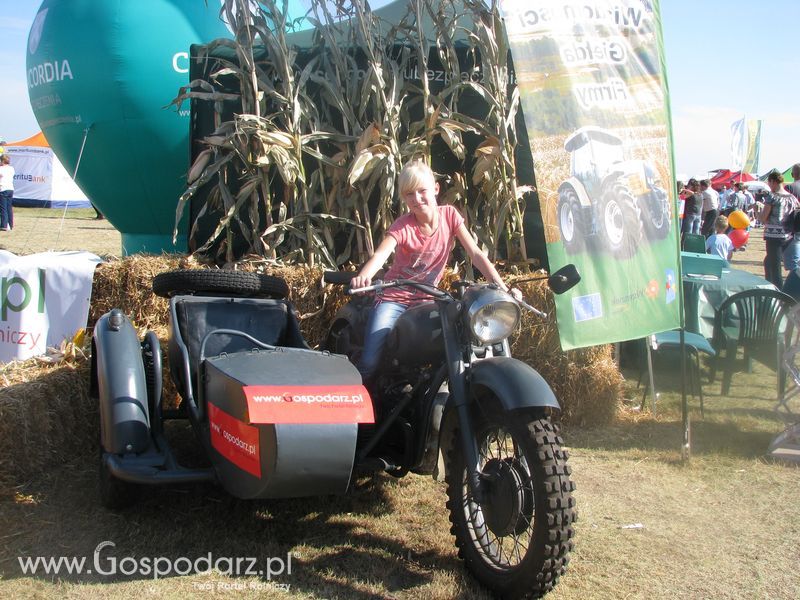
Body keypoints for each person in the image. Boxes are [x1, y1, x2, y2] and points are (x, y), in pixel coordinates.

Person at [351, 160, 522, 381]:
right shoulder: (403, 226)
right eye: (409, 194)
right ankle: (360, 407)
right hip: (394, 299)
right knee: (370, 361)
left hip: (429, 298)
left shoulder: (449, 216)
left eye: (422, 191)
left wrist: (502, 287)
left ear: (436, 189)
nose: (417, 198)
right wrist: (365, 275)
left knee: (458, 339)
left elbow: (476, 254)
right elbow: (381, 255)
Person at [759, 171, 798, 287]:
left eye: (769, 183)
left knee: (775, 268)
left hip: (773, 235)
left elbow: (763, 218)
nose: (769, 186)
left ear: (773, 181)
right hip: (788, 236)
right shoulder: (792, 198)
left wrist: (757, 210)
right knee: (768, 262)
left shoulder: (772, 197)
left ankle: (777, 294)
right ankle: (771, 287)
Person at [0, 154, 15, 231]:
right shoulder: (11, 168)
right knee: (9, 208)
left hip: (3, 189)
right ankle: (10, 224)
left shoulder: (1, 169)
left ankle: (4, 225)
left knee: (3, 208)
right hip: (10, 189)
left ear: (2, 161)